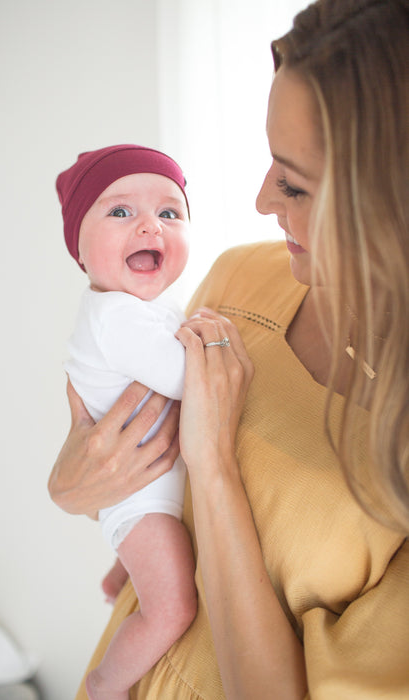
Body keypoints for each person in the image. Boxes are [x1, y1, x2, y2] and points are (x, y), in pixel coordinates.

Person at [48, 1, 409, 698]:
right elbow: (115, 457)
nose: (259, 200)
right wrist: (72, 487)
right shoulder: (244, 275)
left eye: (294, 183)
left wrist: (210, 464)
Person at [55, 145, 197, 700]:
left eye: (170, 213)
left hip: (142, 488)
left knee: (156, 562)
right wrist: (212, 335)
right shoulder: (114, 318)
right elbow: (189, 378)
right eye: (120, 212)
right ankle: (106, 683)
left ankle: (122, 572)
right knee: (173, 608)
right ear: (81, 251)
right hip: (141, 499)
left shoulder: (141, 312)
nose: (148, 225)